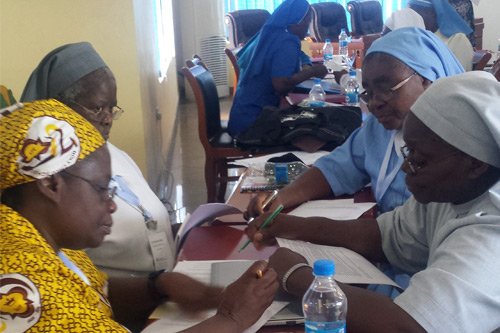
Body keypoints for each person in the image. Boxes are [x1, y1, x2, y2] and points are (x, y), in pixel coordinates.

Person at [248, 71, 500, 332]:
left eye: (419, 160)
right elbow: (387, 237)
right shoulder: (454, 190)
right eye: (407, 152)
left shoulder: (490, 235)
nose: (405, 167)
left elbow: (409, 329)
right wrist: (291, 226)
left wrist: (298, 278)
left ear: (475, 164)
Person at [0, 99, 278, 332]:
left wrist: (158, 286)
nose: (111, 205)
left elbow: (93, 294)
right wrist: (231, 318)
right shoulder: (23, 276)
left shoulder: (40, 240)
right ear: (50, 185)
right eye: (101, 189)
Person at [245, 27, 464, 219]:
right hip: (386, 245)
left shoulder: (456, 148)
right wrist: (282, 197)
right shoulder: (378, 129)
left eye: (386, 88)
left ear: (426, 79)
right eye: (368, 92)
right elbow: (338, 167)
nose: (375, 103)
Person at [20, 42, 176, 278]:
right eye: (97, 108)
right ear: (58, 107)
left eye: (111, 108)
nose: (107, 119)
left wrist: (187, 231)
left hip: (166, 288)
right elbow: (67, 276)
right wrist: (159, 288)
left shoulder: (115, 154)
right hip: (120, 308)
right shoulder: (47, 180)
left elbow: (145, 220)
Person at [227, 0, 328, 136]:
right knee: (315, 129)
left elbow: (299, 54)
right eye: (307, 22)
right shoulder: (286, 41)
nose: (308, 29)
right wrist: (312, 71)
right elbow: (281, 84)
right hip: (253, 125)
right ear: (297, 21)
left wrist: (306, 65)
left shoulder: (271, 34)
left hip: (241, 118)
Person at [408, 0, 474, 71]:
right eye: (412, 11)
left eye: (419, 11)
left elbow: (460, 77)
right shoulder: (414, 37)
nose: (415, 16)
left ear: (435, 13)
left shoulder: (458, 40)